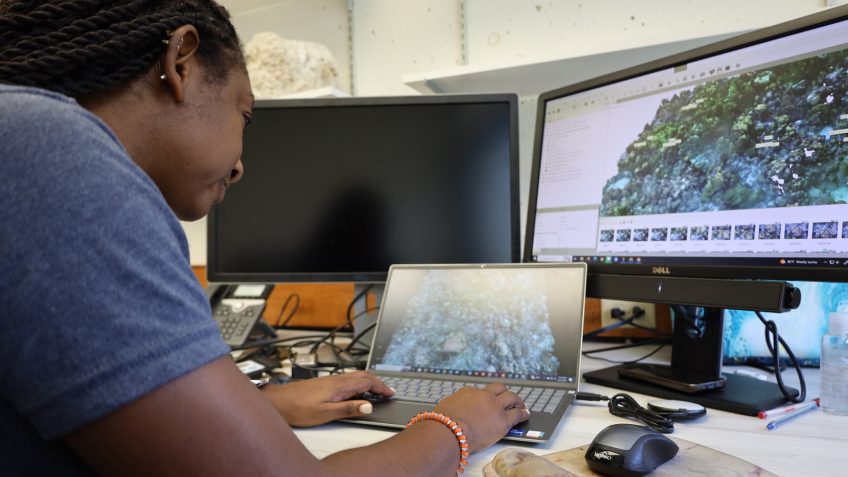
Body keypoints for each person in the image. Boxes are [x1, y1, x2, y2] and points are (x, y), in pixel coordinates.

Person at [0, 1, 529, 476]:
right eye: (244, 115)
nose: (240, 166)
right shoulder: (49, 151)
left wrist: (265, 404)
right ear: (181, 61)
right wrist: (454, 426)